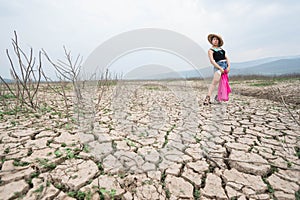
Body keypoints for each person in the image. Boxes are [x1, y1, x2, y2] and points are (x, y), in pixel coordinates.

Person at [203, 33, 230, 105]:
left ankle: (218, 97)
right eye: (214, 39)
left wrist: (228, 67)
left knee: (223, 82)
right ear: (211, 41)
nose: (215, 41)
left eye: (217, 39)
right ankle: (207, 98)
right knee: (215, 82)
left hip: (225, 65)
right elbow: (212, 61)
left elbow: (226, 58)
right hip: (218, 65)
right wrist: (219, 68)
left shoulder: (221, 49)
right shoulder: (211, 50)